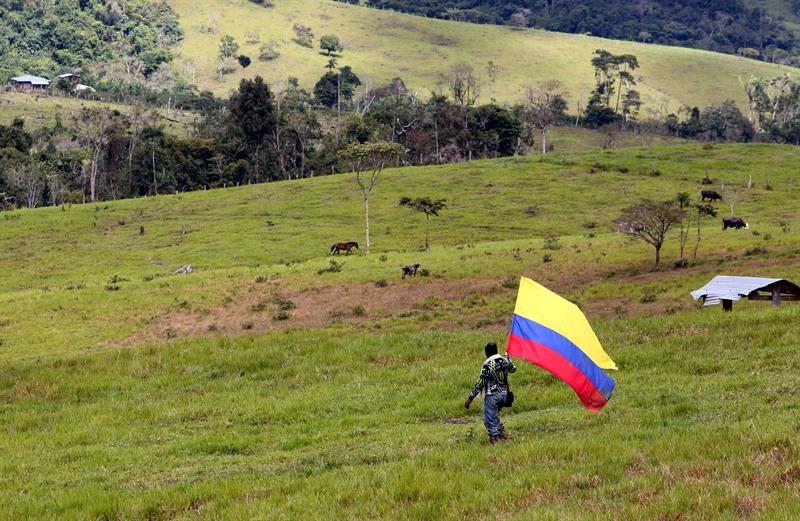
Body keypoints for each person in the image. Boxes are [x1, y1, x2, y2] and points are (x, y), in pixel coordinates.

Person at [464, 342, 516, 444]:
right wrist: (508, 358)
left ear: (487, 352)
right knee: (494, 416)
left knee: (489, 419)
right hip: (505, 394)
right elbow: (513, 369)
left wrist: (470, 398)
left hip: (493, 395)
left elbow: (481, 382)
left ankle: (495, 440)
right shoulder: (504, 360)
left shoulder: (488, 364)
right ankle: (502, 436)